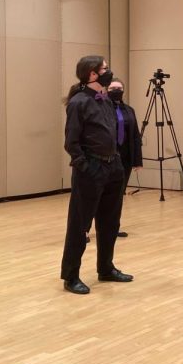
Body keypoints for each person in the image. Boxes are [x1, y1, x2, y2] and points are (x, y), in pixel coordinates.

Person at [61, 56, 133, 295]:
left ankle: (106, 267)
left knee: (110, 222)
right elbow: (71, 142)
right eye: (104, 68)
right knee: (80, 226)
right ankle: (71, 276)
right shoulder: (79, 102)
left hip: (113, 168)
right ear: (92, 74)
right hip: (91, 169)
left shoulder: (105, 100)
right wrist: (85, 166)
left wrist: (118, 165)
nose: (108, 71)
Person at [108, 78, 143, 237]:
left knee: (118, 194)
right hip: (106, 156)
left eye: (119, 87)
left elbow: (135, 136)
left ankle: (113, 227)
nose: (116, 90)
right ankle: (85, 230)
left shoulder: (129, 110)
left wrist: (137, 160)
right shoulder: (102, 108)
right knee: (99, 194)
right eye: (112, 87)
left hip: (125, 158)